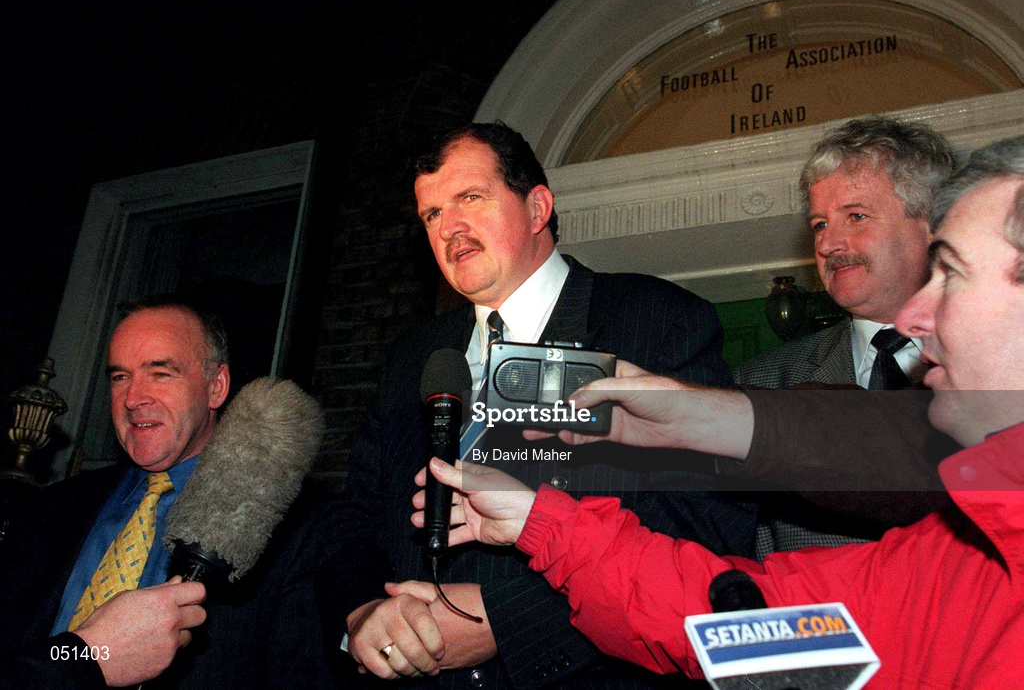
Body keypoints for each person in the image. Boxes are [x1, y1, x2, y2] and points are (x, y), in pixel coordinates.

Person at [412, 134, 1024, 688]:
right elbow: (741, 623)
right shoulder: (960, 569)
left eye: (954, 274)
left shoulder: (967, 558)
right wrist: (538, 522)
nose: (919, 317)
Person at [323, 121, 756, 688]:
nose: (449, 226)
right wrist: (362, 615)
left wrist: (508, 618)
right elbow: (356, 519)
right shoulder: (415, 357)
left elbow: (704, 526)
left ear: (537, 208)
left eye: (470, 198)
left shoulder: (652, 321)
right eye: (431, 215)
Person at [0, 298, 333, 688]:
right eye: (120, 376)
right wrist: (88, 658)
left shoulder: (295, 528)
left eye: (160, 373)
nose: (132, 399)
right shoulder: (50, 508)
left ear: (216, 387)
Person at [731, 117, 958, 551]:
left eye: (855, 216)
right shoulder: (759, 387)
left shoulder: (1001, 370)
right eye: (819, 224)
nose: (828, 244)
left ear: (933, 225)